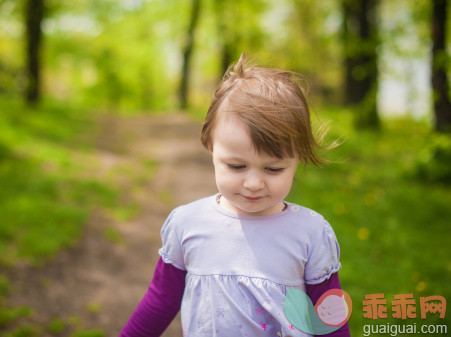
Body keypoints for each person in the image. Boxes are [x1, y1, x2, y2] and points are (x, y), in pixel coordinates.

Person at [119, 53, 350, 337]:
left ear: (297, 159)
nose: (253, 183)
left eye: (274, 169)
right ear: (210, 147)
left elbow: (331, 318)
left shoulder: (311, 234)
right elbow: (161, 300)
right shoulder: (187, 224)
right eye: (236, 166)